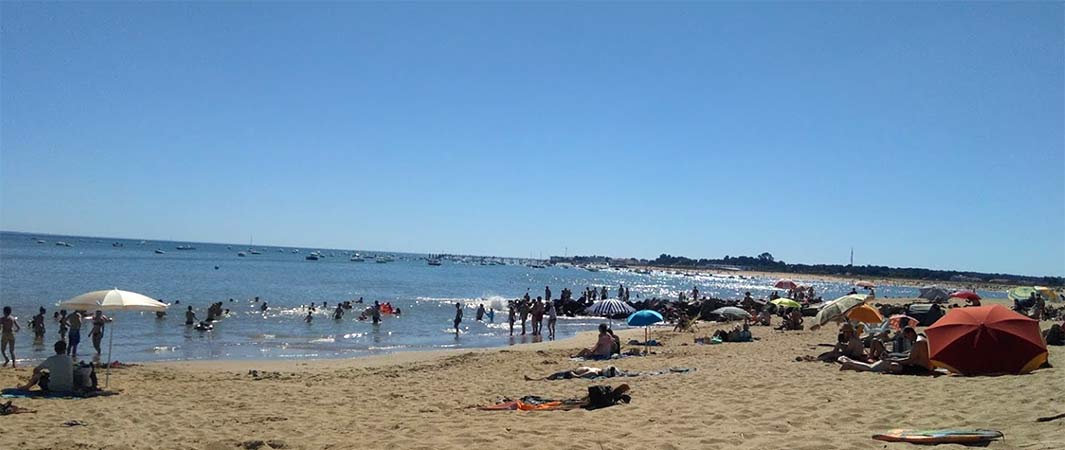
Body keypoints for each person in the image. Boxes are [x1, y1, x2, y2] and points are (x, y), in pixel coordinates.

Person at [839, 327, 933, 374]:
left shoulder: (917, 343)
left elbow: (910, 360)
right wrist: (895, 357)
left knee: (883, 366)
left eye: (906, 336)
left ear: (911, 333)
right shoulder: (920, 339)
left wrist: (892, 359)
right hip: (918, 366)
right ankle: (851, 364)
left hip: (919, 369)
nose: (906, 338)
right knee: (888, 362)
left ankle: (850, 363)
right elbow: (911, 355)